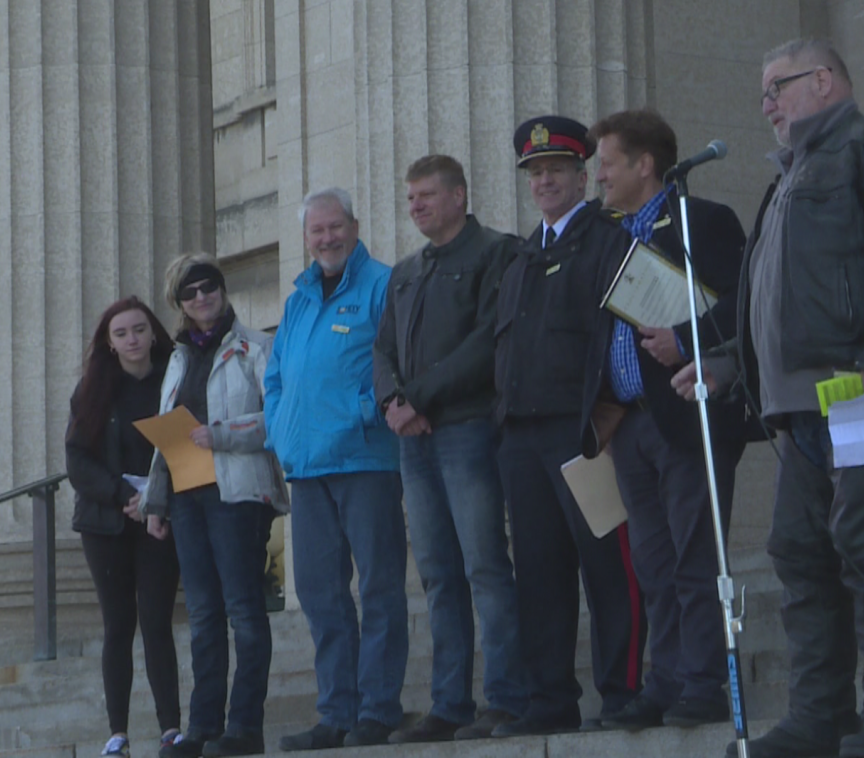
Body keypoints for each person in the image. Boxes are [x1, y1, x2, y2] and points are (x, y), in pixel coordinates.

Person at [672, 38, 864, 758]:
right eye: (763, 91)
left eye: (779, 86)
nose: (766, 102)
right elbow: (780, 302)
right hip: (801, 405)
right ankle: (819, 714)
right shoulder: (789, 177)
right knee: (800, 550)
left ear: (825, 80)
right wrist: (731, 365)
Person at [579, 110, 747, 731]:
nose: (598, 174)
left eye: (608, 162)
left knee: (695, 553)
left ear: (645, 165)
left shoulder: (703, 220)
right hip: (629, 425)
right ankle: (667, 678)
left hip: (686, 409)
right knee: (650, 560)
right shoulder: (608, 235)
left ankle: (704, 680)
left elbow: (743, 302)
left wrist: (687, 337)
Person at [491, 116, 647, 737]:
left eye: (556, 169)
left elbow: (621, 334)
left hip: (583, 433)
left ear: (582, 176)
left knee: (609, 568)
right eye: (536, 173)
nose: (545, 181)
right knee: (539, 574)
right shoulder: (523, 255)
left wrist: (606, 417)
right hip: (522, 441)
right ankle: (549, 699)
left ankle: (623, 691)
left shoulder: (605, 240)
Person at [372, 155, 528, 743]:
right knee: (438, 574)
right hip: (413, 439)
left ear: (459, 195)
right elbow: (381, 348)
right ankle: (449, 703)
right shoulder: (407, 271)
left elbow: (488, 342)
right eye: (410, 198)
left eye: (427, 196)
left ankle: (507, 698)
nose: (416, 207)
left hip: (465, 430)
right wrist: (392, 402)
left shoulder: (496, 252)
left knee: (485, 564)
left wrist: (419, 399)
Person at [264, 188, 408, 750]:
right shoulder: (298, 299)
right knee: (322, 596)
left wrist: (362, 413)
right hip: (306, 467)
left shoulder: (381, 284)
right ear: (306, 238)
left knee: (378, 588)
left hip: (365, 457)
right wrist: (279, 432)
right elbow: (275, 378)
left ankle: (378, 708)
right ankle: (337, 713)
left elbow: (396, 360)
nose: (327, 238)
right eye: (316, 231)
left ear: (354, 225)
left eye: (335, 227)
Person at [141, 254, 288, 758]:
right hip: (186, 495)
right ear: (179, 304)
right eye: (191, 293)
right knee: (203, 615)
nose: (202, 298)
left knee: (245, 610)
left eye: (210, 287)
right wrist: (153, 502)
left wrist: (222, 434)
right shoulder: (178, 359)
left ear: (223, 291)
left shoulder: (255, 347)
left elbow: (278, 418)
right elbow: (166, 440)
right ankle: (202, 727)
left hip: (238, 492)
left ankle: (245, 725)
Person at [66, 296, 182, 758]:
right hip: (106, 521)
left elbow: (184, 445)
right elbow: (77, 459)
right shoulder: (93, 388)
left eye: (139, 330)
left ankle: (170, 727)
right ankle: (118, 733)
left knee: (157, 622)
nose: (132, 339)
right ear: (109, 343)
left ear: (153, 333)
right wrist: (123, 497)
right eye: (121, 333)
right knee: (118, 625)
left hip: (159, 519)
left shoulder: (175, 379)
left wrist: (156, 500)